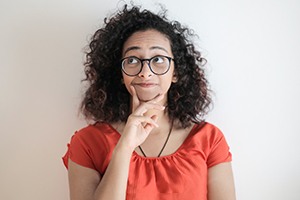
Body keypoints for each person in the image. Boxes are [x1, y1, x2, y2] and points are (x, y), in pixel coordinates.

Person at [62, 4, 236, 200]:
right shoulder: (87, 143)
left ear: (176, 72)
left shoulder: (209, 139)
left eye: (158, 59)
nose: (146, 72)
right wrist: (125, 146)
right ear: (121, 74)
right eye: (133, 60)